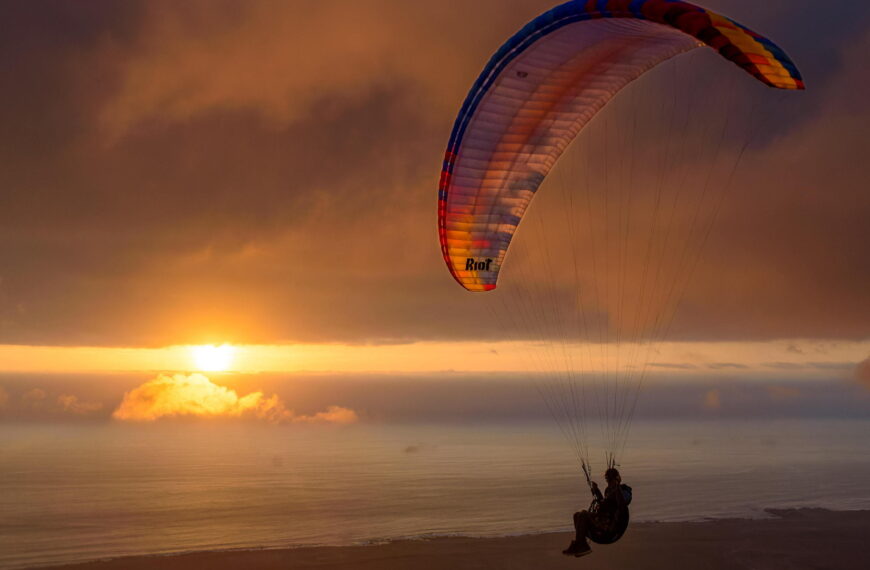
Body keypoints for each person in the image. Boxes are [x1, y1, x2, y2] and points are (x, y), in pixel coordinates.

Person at [562, 467, 630, 557]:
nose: (609, 483)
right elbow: (603, 504)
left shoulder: (624, 491)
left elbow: (622, 504)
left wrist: (617, 487)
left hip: (611, 532)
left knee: (583, 514)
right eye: (607, 480)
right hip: (600, 529)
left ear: (617, 479)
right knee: (577, 516)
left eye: (610, 480)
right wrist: (596, 490)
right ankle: (581, 543)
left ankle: (582, 546)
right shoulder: (608, 491)